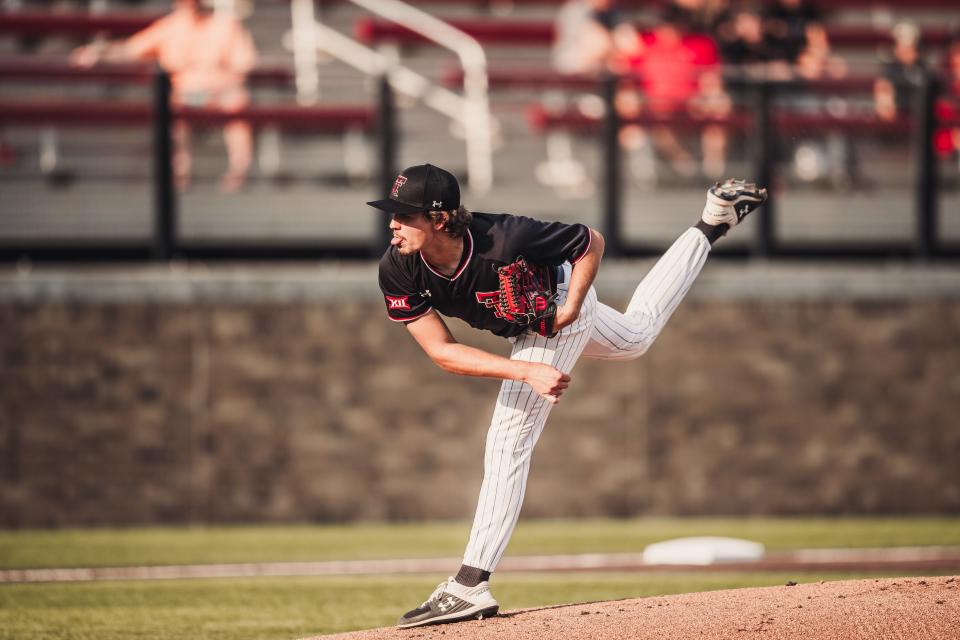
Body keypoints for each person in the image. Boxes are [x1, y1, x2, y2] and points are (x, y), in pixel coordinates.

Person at [369, 164, 767, 628]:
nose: (392, 224)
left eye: (405, 215)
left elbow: (589, 242)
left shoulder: (505, 238)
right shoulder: (397, 267)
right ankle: (713, 221)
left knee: (506, 441)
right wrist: (524, 370)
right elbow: (442, 351)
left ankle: (468, 585)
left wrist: (573, 308)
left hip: (559, 302)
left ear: (439, 218)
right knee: (635, 337)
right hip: (533, 331)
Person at [71, 0, 257, 193]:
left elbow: (245, 63)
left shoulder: (226, 25)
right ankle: (180, 170)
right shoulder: (170, 27)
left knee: (236, 102)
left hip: (221, 94)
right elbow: (130, 50)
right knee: (174, 105)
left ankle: (239, 169)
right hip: (191, 97)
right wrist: (98, 53)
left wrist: (223, 81)